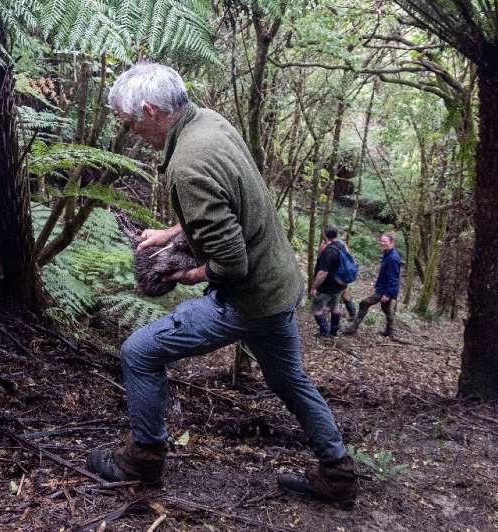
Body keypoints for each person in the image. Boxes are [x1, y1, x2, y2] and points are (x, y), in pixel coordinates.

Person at [85, 63, 357, 509]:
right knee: (288, 378)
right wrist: (171, 234)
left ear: (151, 110)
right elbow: (230, 199)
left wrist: (186, 275)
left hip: (247, 297)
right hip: (280, 283)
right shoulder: (210, 123)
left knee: (139, 351)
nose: (131, 132)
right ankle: (338, 474)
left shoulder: (187, 164)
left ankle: (144, 459)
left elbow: (230, 262)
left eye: (130, 122)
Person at [343, 233, 401, 337]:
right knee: (386, 308)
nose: (382, 243)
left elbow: (394, 278)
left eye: (385, 241)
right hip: (383, 288)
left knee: (364, 303)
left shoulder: (393, 258)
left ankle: (353, 328)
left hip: (386, 290)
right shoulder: (387, 253)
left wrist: (387, 294)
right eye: (381, 241)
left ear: (392, 242)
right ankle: (390, 331)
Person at [310, 225, 356, 337]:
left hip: (327, 285)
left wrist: (314, 287)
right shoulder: (342, 245)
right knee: (335, 307)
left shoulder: (329, 251)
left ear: (325, 235)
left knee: (317, 308)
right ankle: (334, 331)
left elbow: (322, 273)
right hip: (339, 284)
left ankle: (324, 331)